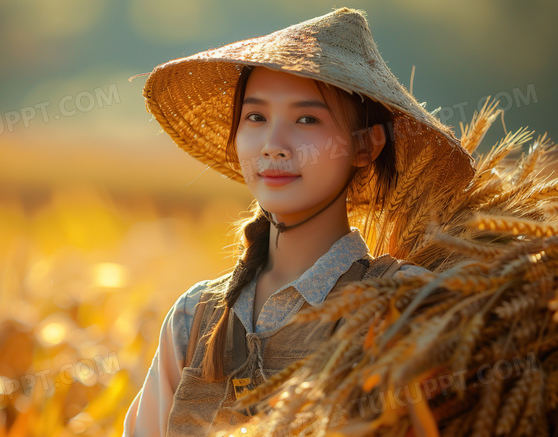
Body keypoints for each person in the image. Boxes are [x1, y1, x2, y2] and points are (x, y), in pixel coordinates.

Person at [123, 7, 475, 436]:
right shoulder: (192, 318)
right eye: (256, 117)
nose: (273, 144)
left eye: (306, 119)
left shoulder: (406, 306)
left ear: (366, 146)